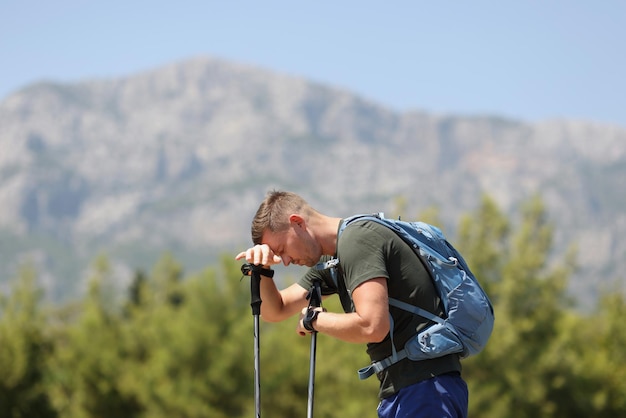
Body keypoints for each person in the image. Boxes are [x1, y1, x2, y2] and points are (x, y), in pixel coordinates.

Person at [235, 190, 468, 418]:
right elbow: (275, 310)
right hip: (408, 389)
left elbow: (372, 326)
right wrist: (262, 270)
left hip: (424, 388)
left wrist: (315, 319)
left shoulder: (357, 242)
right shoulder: (334, 260)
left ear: (297, 223)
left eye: (282, 249)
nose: (284, 261)